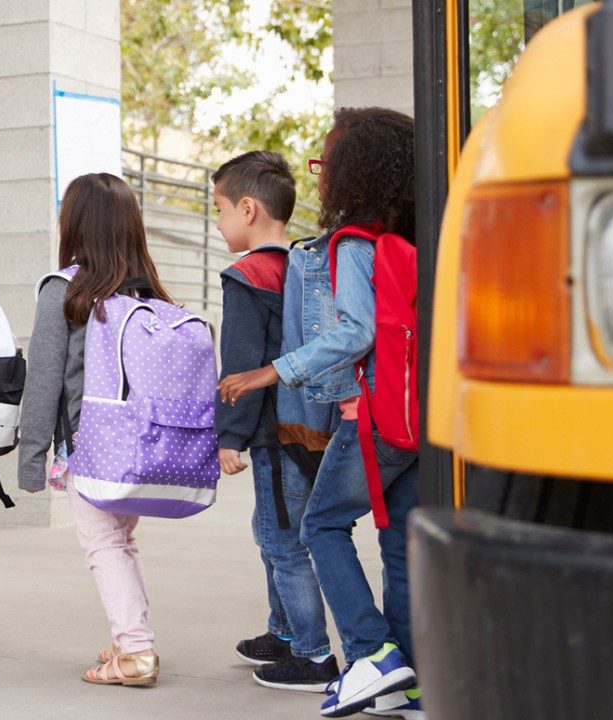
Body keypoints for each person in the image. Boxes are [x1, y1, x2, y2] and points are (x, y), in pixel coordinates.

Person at [219, 107, 422, 719]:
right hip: (418, 416)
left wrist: (271, 371)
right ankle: (411, 678)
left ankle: (370, 652)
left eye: (327, 164)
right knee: (399, 542)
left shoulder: (353, 244)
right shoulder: (411, 239)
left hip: (375, 415)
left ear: (354, 174)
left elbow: (354, 332)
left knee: (321, 526)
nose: (321, 177)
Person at [16, 172, 176, 687]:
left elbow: (42, 380)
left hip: (92, 444)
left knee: (102, 544)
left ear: (75, 224)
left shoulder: (64, 290)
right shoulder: (149, 293)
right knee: (120, 541)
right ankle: (129, 637)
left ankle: (135, 652)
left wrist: (31, 456)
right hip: (143, 443)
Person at [212, 152, 338, 692]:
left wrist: (229, 437)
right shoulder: (302, 269)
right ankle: (282, 631)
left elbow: (239, 364)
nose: (217, 222)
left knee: (285, 540)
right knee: (274, 532)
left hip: (272, 432)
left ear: (247, 208)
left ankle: (312, 655)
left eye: (218, 209)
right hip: (311, 426)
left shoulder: (246, 276)